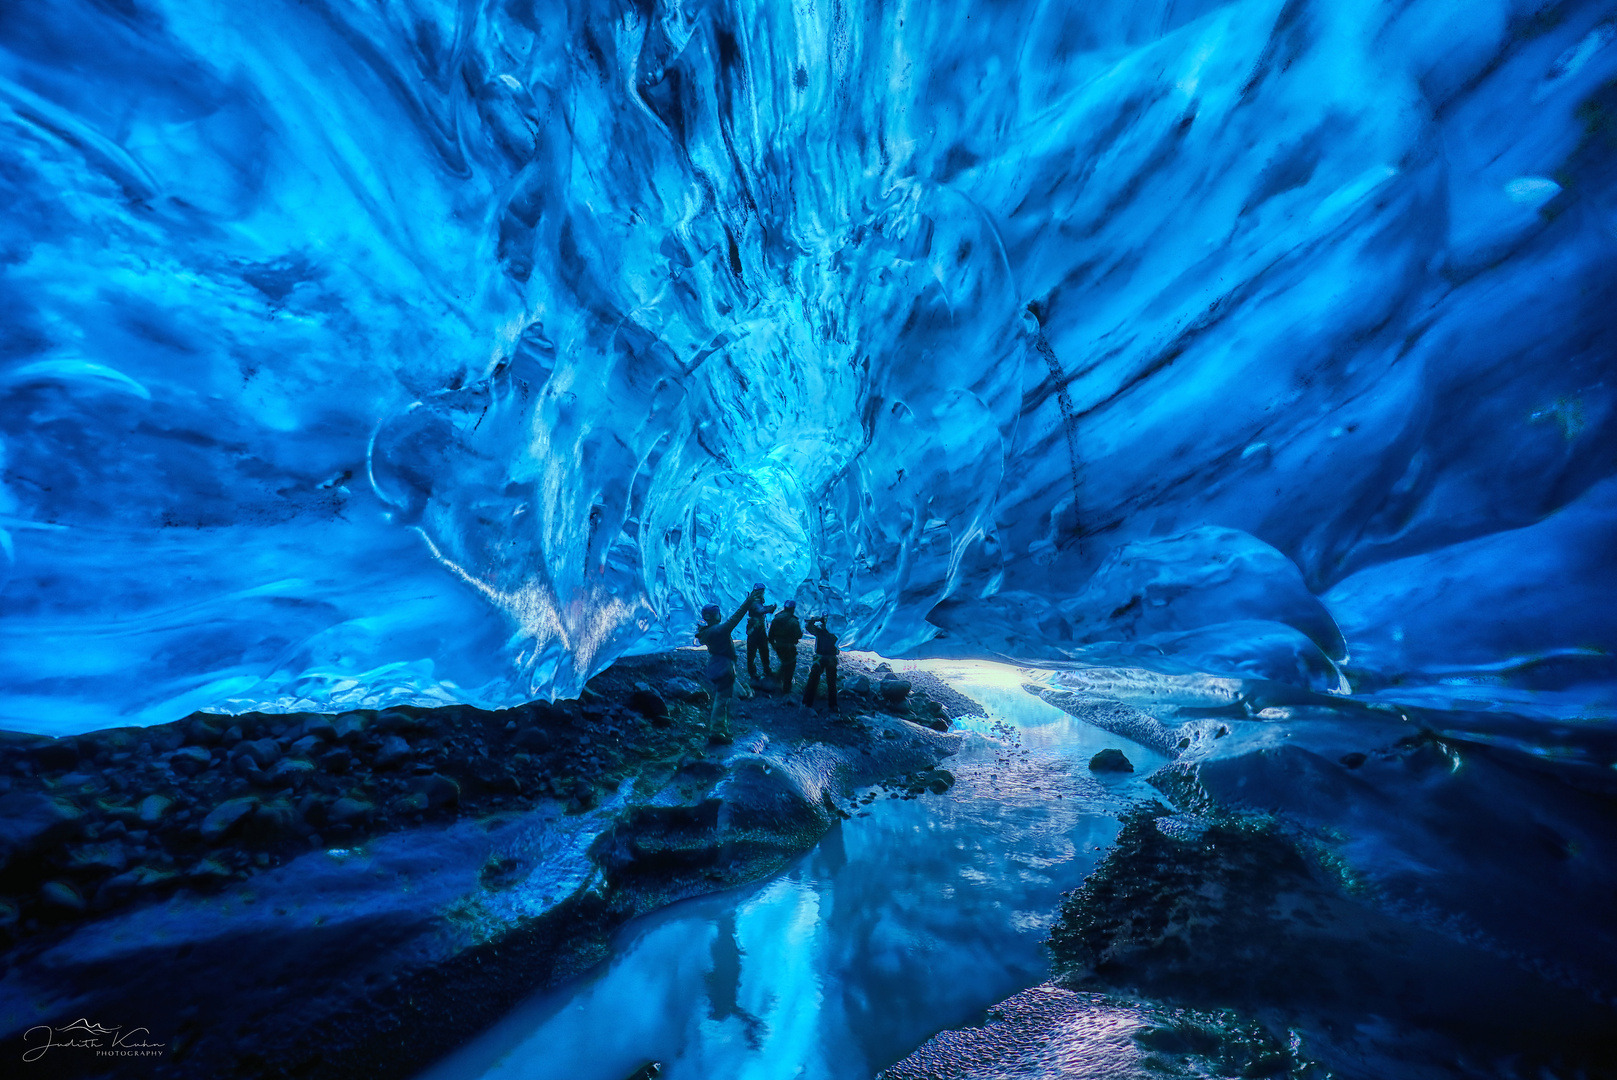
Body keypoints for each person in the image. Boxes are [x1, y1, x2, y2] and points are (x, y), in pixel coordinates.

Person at [695, 586, 764, 742]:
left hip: (716, 665)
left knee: (723, 699)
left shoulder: (706, 632)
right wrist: (749, 600)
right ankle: (717, 731)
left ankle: (721, 729)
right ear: (715, 616)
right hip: (724, 667)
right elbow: (737, 617)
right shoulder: (719, 630)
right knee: (722, 700)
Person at [801, 614, 840, 712]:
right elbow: (808, 626)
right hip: (825, 658)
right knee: (822, 681)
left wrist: (816, 620)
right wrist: (816, 619)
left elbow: (808, 626)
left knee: (827, 682)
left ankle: (808, 703)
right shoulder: (828, 631)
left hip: (824, 658)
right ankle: (831, 705)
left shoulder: (823, 630)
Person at [744, 582, 778, 682]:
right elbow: (760, 610)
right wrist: (770, 608)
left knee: (763, 650)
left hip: (759, 628)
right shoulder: (754, 601)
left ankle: (765, 670)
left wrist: (768, 608)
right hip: (755, 629)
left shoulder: (756, 600)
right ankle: (753, 672)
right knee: (753, 651)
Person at [768, 600, 803, 694]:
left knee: (785, 663)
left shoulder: (776, 619)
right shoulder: (793, 621)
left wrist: (773, 645)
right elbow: (799, 635)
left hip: (778, 645)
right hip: (789, 646)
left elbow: (770, 635)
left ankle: (776, 680)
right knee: (790, 665)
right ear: (793, 609)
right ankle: (786, 688)